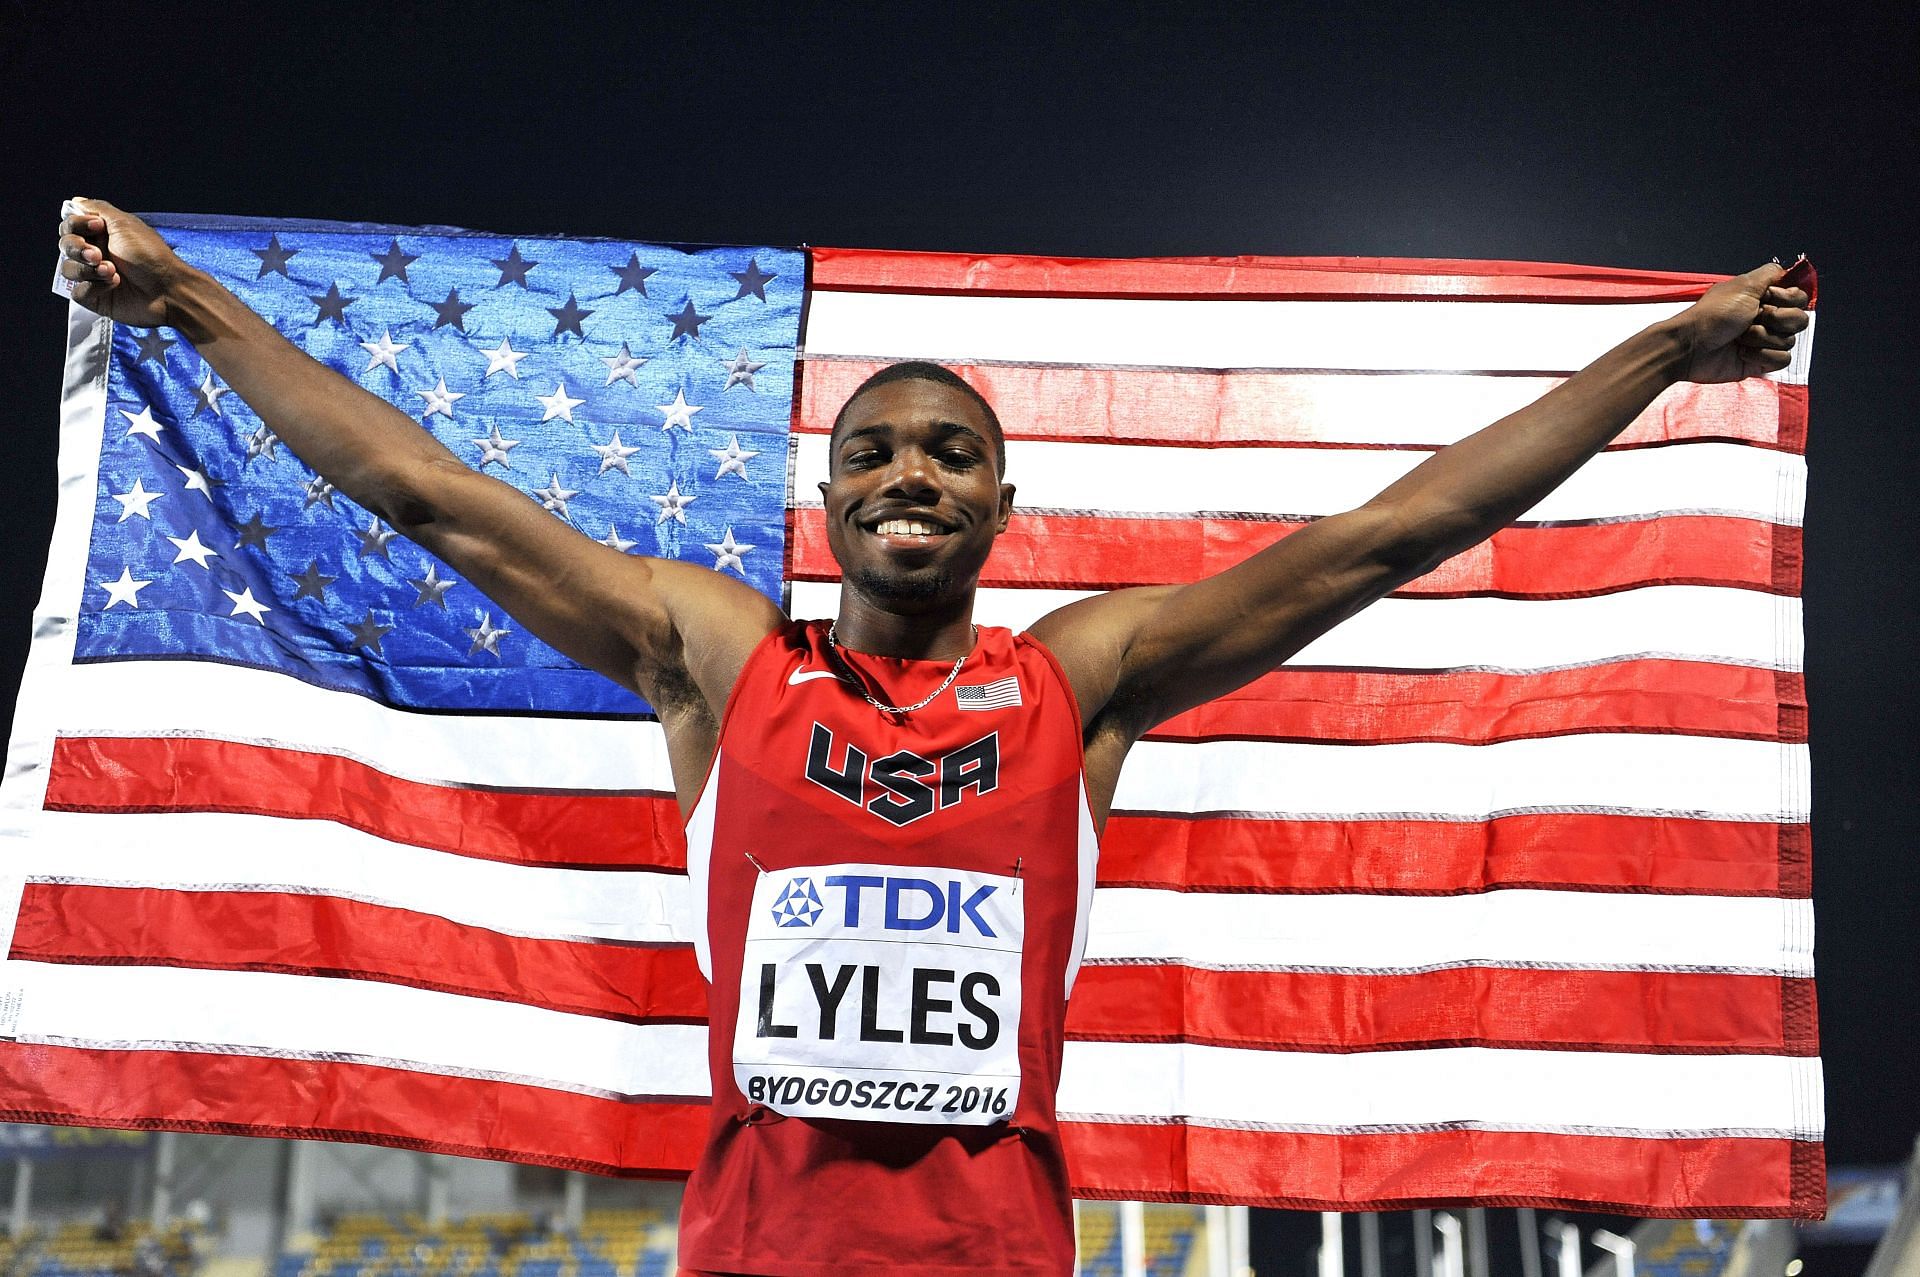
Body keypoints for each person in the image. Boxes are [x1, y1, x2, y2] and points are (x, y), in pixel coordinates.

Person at [56, 200, 1809, 1277]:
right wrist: (189, 307)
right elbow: (429, 496)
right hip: (756, 1252)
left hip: (995, 1257)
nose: (912, 472)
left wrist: (1662, 353)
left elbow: (1384, 539)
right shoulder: (720, 660)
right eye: (879, 451)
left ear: (1001, 500)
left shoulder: (1077, 680)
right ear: (825, 501)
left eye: (949, 454)